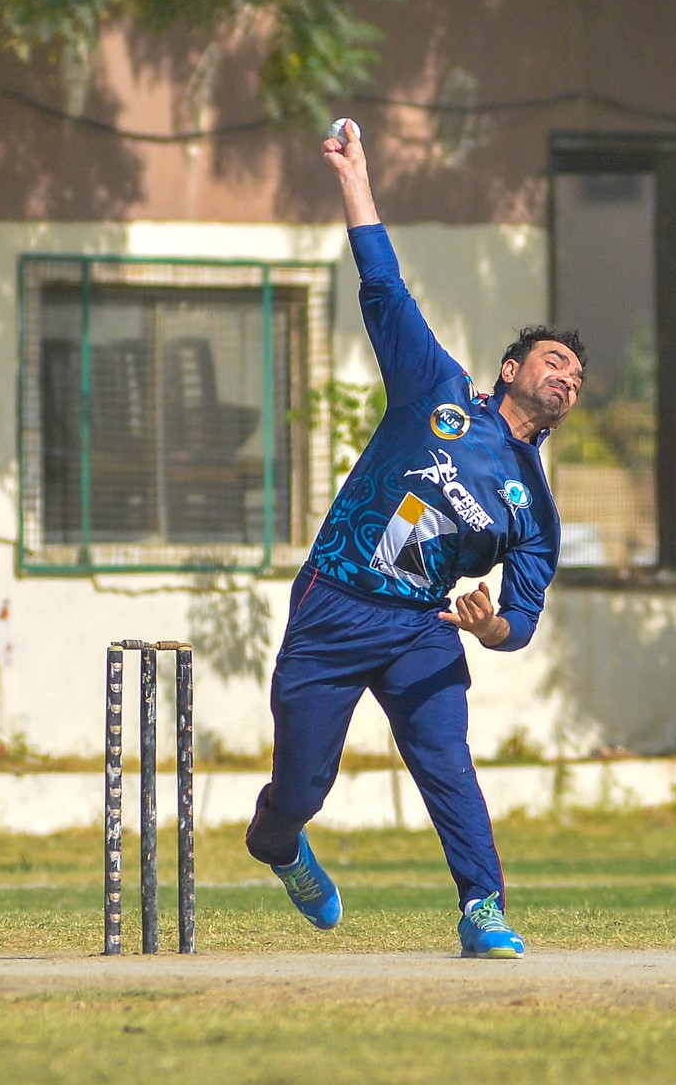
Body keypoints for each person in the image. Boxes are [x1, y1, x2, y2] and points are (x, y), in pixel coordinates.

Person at [246, 121, 586, 959]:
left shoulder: (534, 511)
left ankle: (482, 909)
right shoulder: (436, 389)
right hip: (335, 601)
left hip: (421, 628)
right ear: (510, 369)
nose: (566, 376)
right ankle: (278, 843)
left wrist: (486, 624)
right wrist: (353, 177)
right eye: (553, 360)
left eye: (577, 377)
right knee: (302, 787)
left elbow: (520, 624)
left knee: (447, 766)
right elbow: (384, 285)